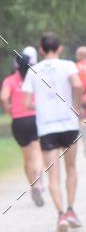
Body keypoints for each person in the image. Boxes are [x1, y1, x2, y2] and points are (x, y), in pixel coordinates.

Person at [22, 34, 83, 232]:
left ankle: (61, 214)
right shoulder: (68, 65)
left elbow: (27, 102)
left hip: (47, 127)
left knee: (53, 176)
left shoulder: (33, 70)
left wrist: (41, 105)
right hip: (68, 123)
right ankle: (72, 210)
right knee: (71, 168)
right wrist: (76, 105)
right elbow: (77, 84)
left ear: (41, 50)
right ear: (60, 48)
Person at [1, 47, 44, 205]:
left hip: (18, 122)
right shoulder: (34, 77)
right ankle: (39, 182)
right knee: (37, 153)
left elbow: (4, 98)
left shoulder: (9, 80)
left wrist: (10, 110)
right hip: (34, 119)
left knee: (27, 158)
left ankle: (33, 185)